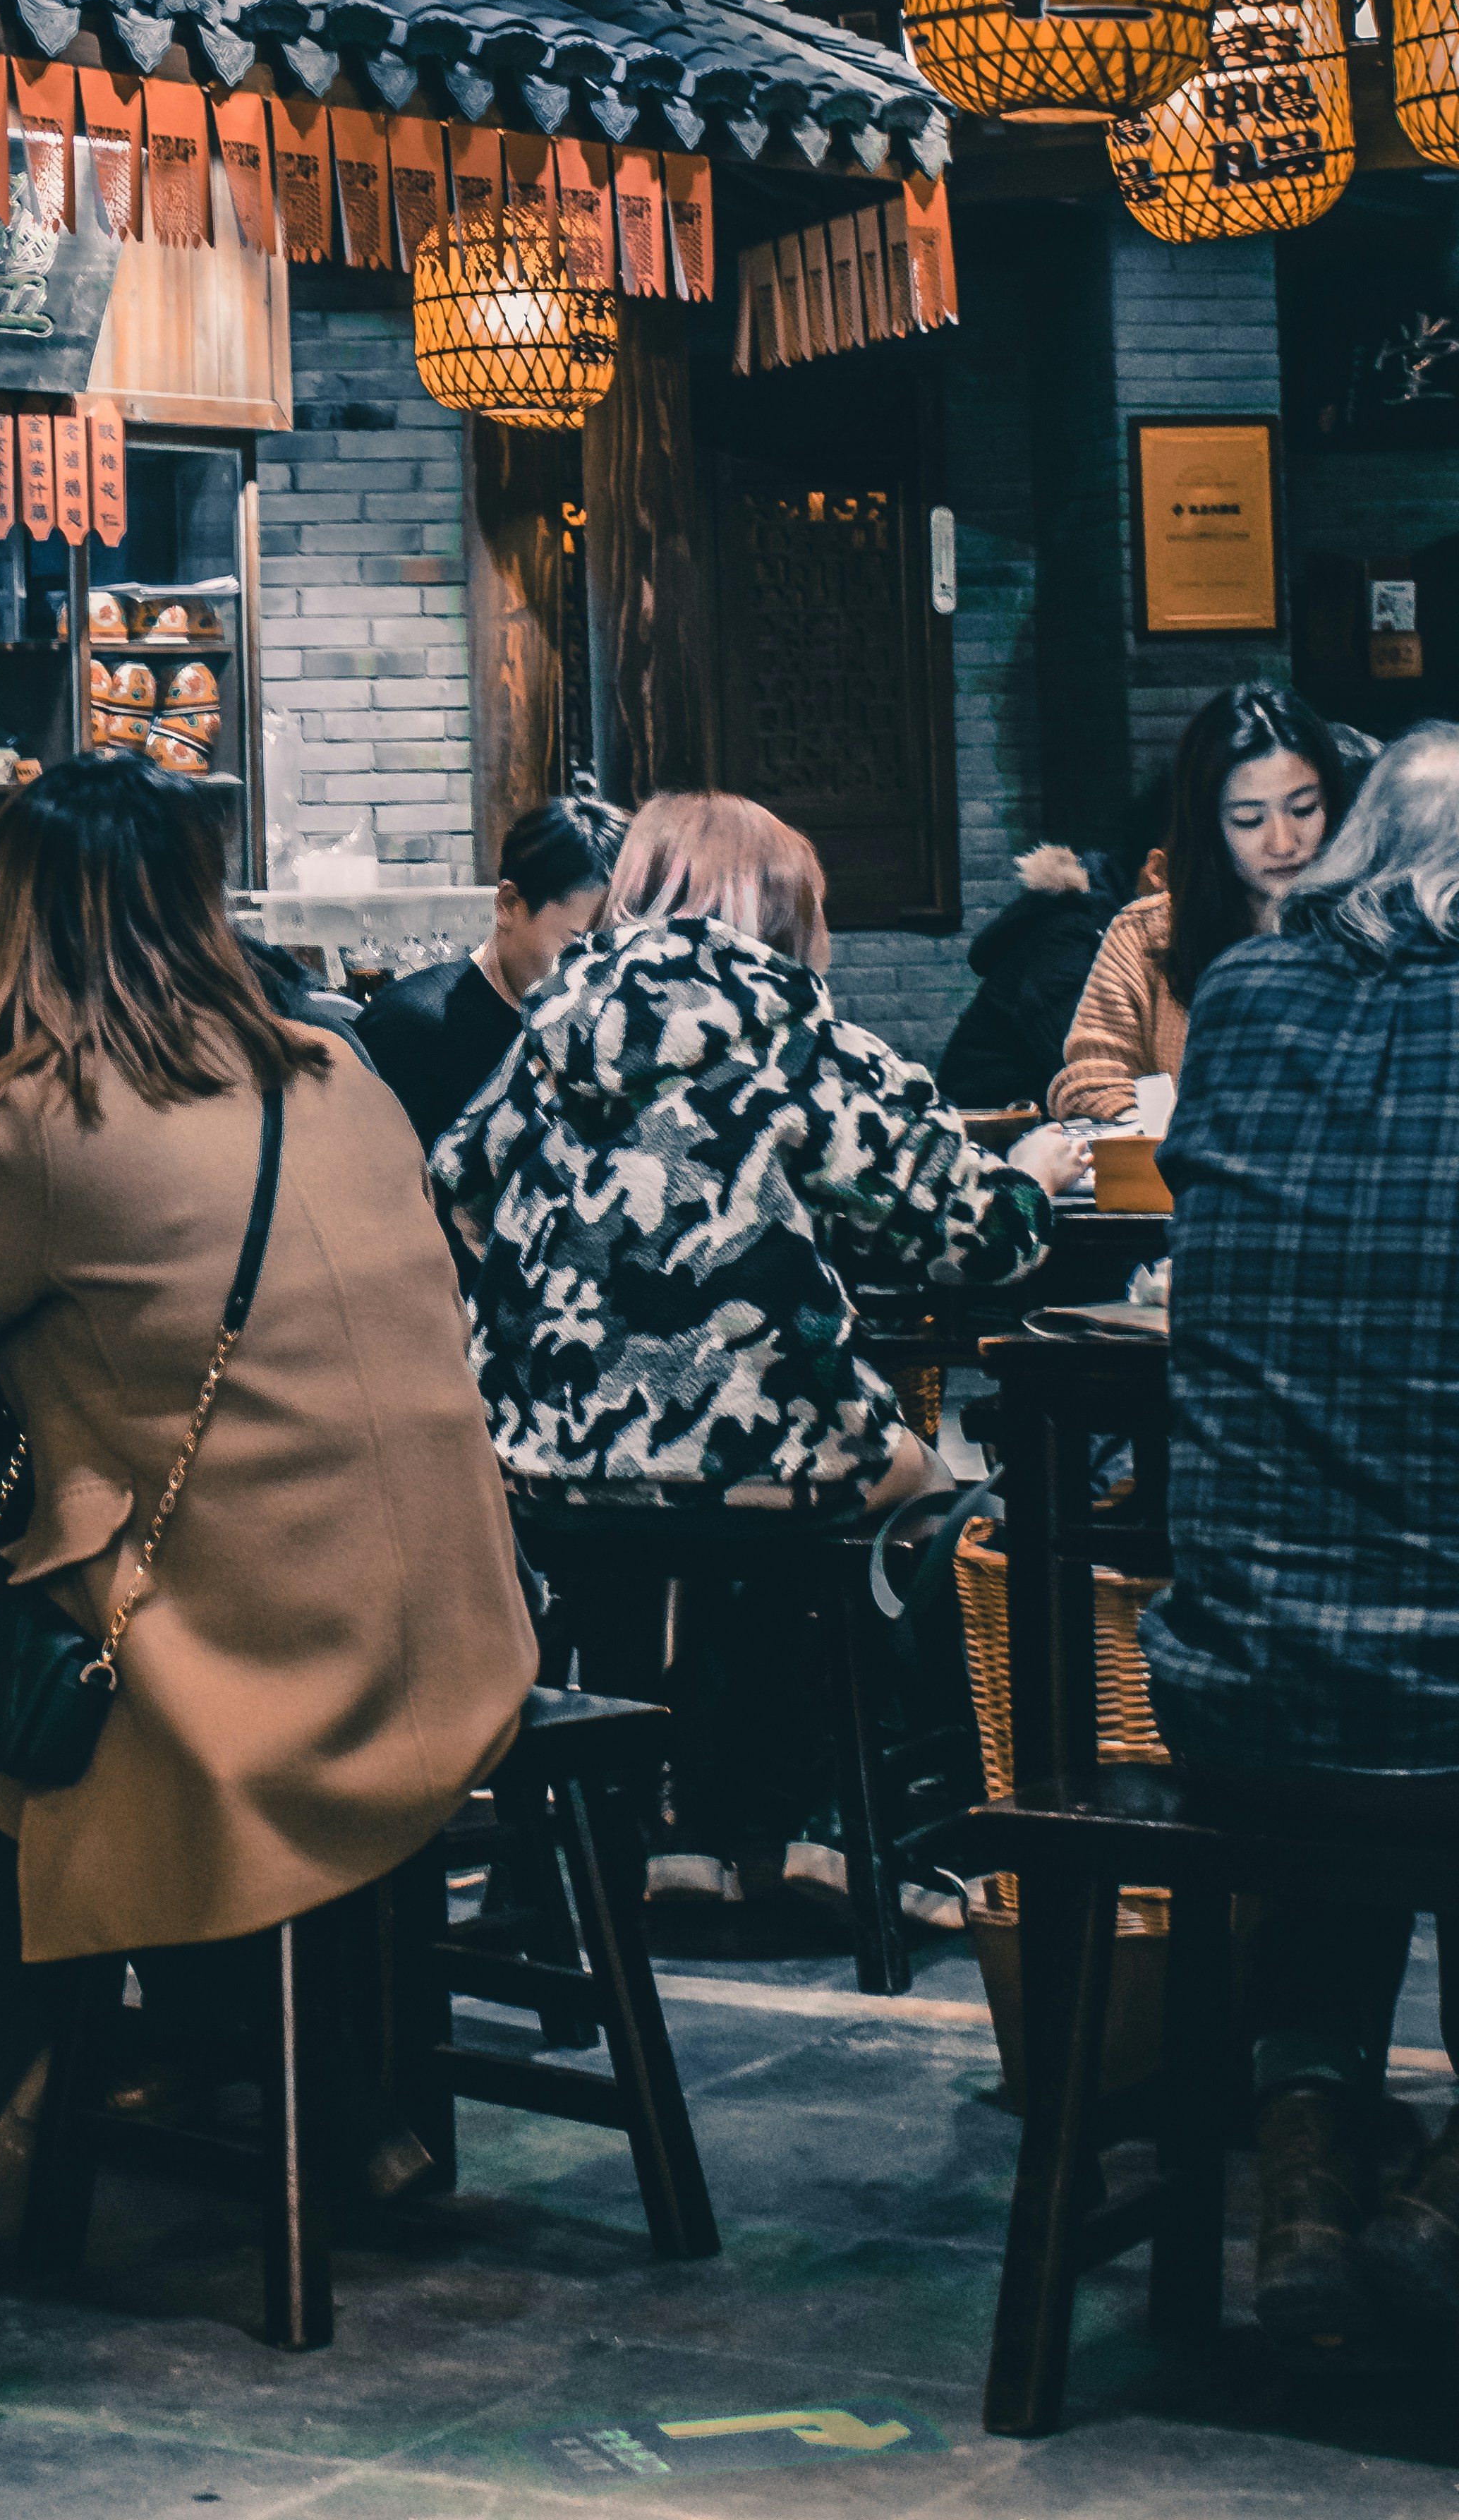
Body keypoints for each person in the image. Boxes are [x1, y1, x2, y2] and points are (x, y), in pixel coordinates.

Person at [0, 751, 535, 2239]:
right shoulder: (334, 1072)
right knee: (70, 1661)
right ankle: (297, 2083)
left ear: (6, 928)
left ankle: (18, 2055)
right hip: (453, 1628)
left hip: (260, 1662)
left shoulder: (40, 1119)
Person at [433, 790, 1075, 1943]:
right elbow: (975, 1235)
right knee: (948, 1505)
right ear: (782, 912)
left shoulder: (552, 1023)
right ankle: (865, 1835)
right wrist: (1031, 1172)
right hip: (760, 1452)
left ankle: (690, 1831)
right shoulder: (788, 1034)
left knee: (714, 1518)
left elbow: (455, 1182)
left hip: (543, 1471)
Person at [1144, 724, 1459, 2351]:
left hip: (1240, 1695)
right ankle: (1435, 2201)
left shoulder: (1249, 1003)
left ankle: (1304, 2174)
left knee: (1366, 1642)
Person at [1048, 682, 1352, 1133]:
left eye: (1304, 809)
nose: (1283, 843)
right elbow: (1089, 1079)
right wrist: (1161, 1133)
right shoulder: (1148, 933)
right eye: (1248, 820)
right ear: (1209, 826)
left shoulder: (1370, 927)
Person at [356, 780, 626, 1155]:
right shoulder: (410, 1026)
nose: (594, 971)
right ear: (509, 904)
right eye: (576, 945)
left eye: (613, 950)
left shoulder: (606, 1034)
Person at [935, 843, 1124, 1110]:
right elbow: (1065, 1044)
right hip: (990, 1111)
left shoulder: (1072, 919)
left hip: (1001, 1099)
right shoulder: (1069, 931)